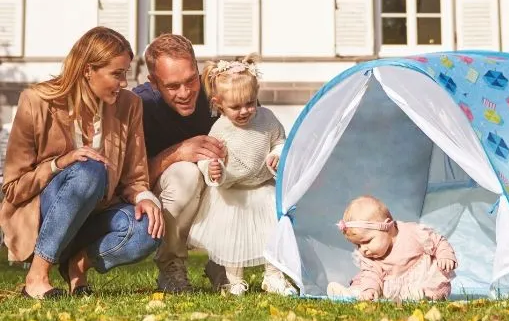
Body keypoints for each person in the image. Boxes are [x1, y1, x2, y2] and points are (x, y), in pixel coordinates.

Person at [0, 26, 164, 299]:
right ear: (88, 70)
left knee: (150, 227)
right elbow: (13, 188)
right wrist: (60, 163)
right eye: (117, 73)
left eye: (126, 73)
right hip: (46, 218)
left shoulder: (129, 105)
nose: (124, 82)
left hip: (95, 219)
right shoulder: (36, 101)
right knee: (89, 170)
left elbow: (134, 178)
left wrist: (144, 197)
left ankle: (77, 264)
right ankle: (37, 276)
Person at [188, 57, 296, 296]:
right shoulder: (220, 129)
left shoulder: (267, 119)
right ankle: (233, 280)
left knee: (272, 233)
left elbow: (280, 140)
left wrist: (277, 154)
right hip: (232, 194)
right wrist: (213, 170)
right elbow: (207, 157)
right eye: (235, 107)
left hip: (262, 187)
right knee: (233, 239)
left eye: (249, 104)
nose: (244, 111)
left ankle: (274, 276)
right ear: (218, 104)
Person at [133, 34, 228, 293]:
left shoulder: (221, 90)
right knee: (186, 173)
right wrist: (177, 153)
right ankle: (171, 265)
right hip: (164, 197)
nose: (185, 93)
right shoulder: (139, 105)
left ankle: (226, 261)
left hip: (220, 188)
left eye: (190, 81)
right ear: (153, 83)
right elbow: (130, 180)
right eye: (173, 86)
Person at [326, 195, 457, 302]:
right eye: (358, 245)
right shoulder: (370, 257)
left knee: (437, 285)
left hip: (421, 279)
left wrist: (445, 255)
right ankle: (353, 293)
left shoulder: (412, 233)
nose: (363, 250)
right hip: (390, 285)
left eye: (367, 241)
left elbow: (438, 241)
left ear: (388, 227)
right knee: (365, 279)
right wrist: (370, 289)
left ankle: (424, 295)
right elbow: (372, 275)